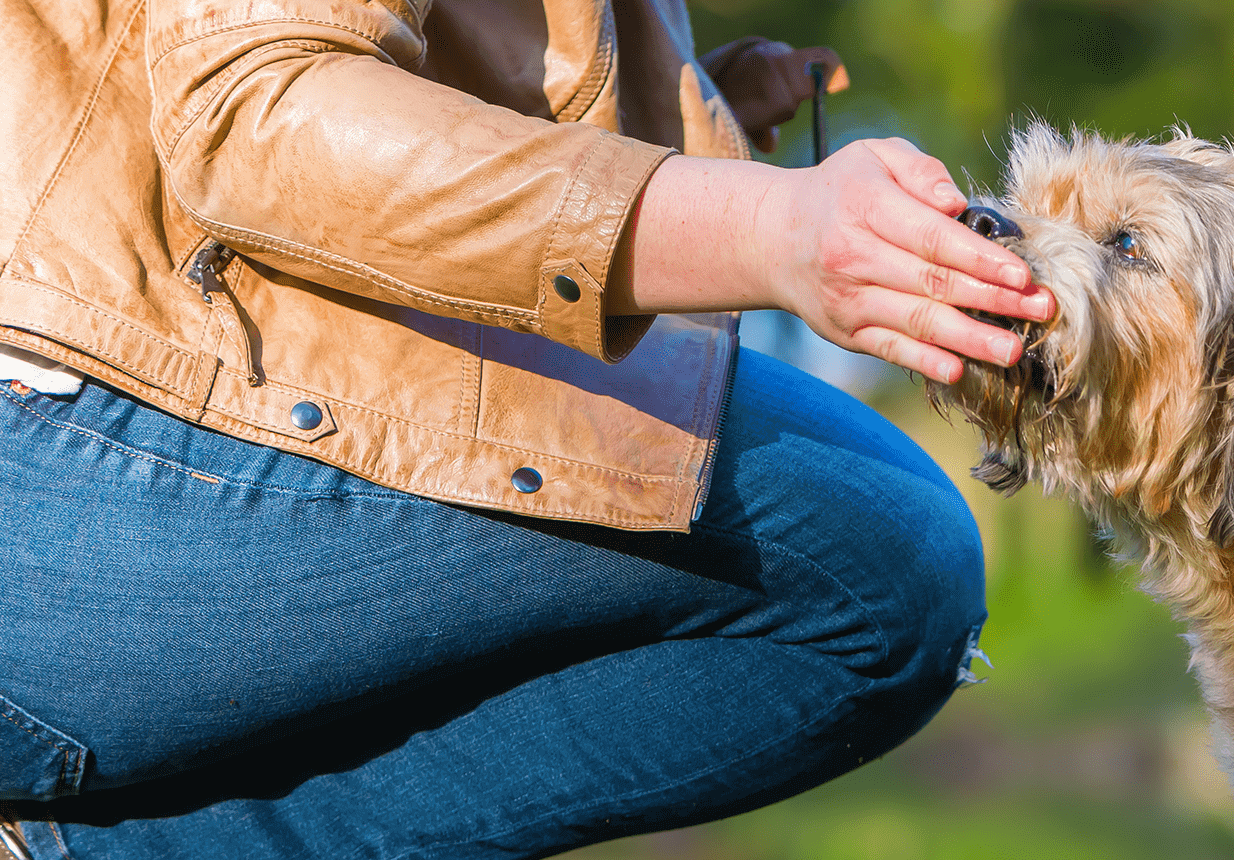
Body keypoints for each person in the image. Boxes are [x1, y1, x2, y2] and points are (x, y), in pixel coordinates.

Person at [0, 0, 1049, 856]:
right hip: (44, 448)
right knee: (870, 557)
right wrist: (766, 227)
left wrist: (696, 120)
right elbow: (256, 107)